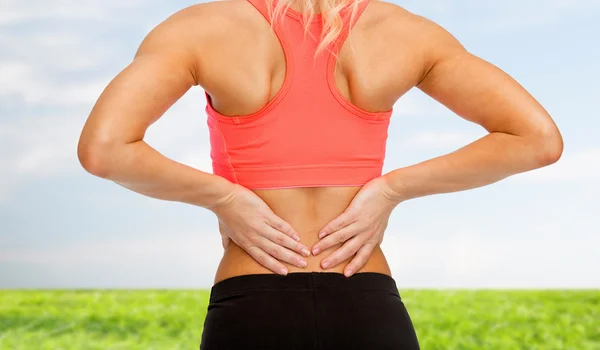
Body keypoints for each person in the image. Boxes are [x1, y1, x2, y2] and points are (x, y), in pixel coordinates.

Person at [77, 0, 563, 348]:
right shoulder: (404, 31)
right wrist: (390, 190)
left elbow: (104, 150)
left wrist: (225, 198)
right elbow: (537, 139)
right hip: (367, 302)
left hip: (253, 302)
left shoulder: (202, 27)